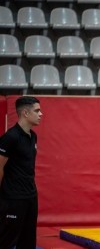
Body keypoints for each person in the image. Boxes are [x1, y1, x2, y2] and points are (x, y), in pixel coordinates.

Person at [0, 96, 43, 249]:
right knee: (6, 241)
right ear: (25, 113)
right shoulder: (10, 138)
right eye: (37, 111)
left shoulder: (34, 136)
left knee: (28, 241)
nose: (41, 114)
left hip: (31, 197)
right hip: (13, 199)